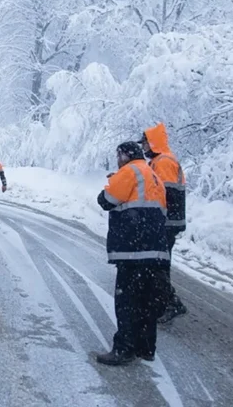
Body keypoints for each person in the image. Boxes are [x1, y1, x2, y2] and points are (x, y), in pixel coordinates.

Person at [96, 141, 170, 365]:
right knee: (147, 300)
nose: (117, 160)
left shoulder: (129, 171)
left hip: (133, 250)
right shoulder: (154, 174)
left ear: (126, 155)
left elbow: (106, 200)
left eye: (118, 155)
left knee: (127, 301)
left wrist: (112, 181)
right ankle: (145, 348)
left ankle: (124, 349)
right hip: (156, 249)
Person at [139, 123, 188, 324]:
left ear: (153, 143)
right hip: (165, 222)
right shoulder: (158, 161)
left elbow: (163, 194)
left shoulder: (164, 162)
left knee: (156, 265)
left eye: (144, 143)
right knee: (156, 264)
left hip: (166, 223)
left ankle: (170, 303)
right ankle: (161, 302)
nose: (142, 147)